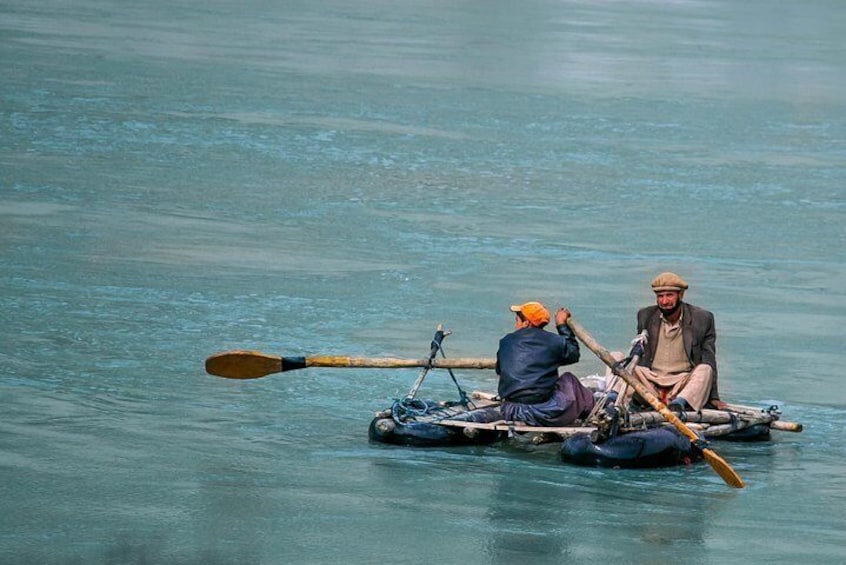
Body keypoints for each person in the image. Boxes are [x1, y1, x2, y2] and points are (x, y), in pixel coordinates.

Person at [611, 272, 725, 412]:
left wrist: (714, 398)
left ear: (680, 295)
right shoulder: (645, 315)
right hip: (651, 381)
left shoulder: (702, 318)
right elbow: (638, 351)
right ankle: (612, 396)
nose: (664, 301)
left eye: (669, 295)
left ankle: (679, 403)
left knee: (705, 369)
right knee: (616, 357)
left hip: (680, 382)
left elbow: (709, 357)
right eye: (660, 296)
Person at [496, 301, 595, 426]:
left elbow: (499, 370)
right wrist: (562, 325)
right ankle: (590, 413)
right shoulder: (554, 341)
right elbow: (573, 355)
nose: (515, 325)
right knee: (569, 379)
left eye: (517, 321)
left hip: (510, 411)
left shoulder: (506, 341)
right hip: (543, 412)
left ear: (526, 323)